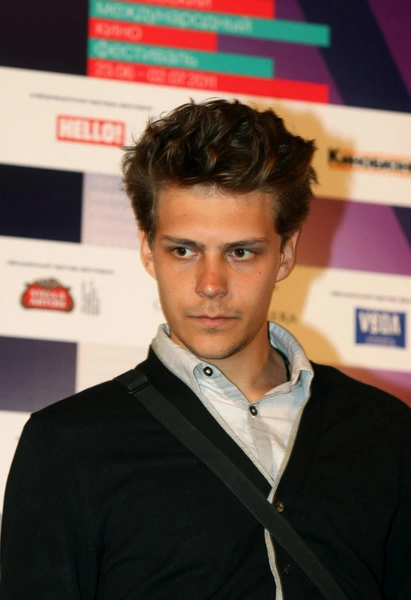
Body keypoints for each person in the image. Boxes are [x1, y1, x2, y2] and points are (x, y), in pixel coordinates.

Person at [1, 99, 410, 600]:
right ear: (147, 249)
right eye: (183, 250)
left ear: (285, 254)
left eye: (240, 252)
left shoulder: (386, 431)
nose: (210, 284)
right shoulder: (66, 445)